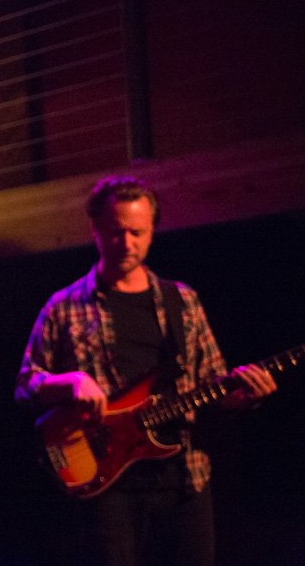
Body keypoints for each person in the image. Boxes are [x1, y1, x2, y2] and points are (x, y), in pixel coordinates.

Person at [14, 175, 276, 566]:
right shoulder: (63, 306)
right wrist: (69, 382)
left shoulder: (183, 301)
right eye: (117, 231)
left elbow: (214, 385)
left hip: (185, 478)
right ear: (96, 230)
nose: (127, 243)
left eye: (138, 232)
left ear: (153, 231)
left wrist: (244, 397)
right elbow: (25, 385)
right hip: (105, 485)